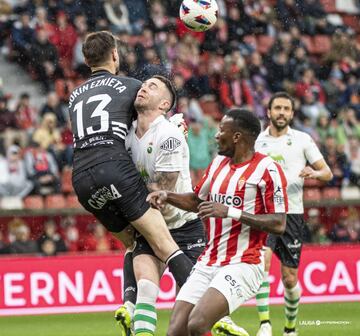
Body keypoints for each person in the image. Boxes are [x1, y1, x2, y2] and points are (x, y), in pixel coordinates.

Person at [69, 31, 194, 333]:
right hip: (113, 168)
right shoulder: (130, 86)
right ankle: (207, 304)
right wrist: (176, 122)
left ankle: (129, 305)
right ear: (115, 55)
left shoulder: (74, 96)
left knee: (133, 243)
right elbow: (149, 116)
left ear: (86, 60)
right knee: (165, 244)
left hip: (82, 179)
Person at [147, 108, 289, 336]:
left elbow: (279, 224)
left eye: (221, 129)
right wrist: (167, 195)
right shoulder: (218, 164)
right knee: (176, 331)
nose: (215, 135)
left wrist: (231, 212)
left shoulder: (267, 170)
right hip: (208, 262)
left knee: (198, 324)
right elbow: (196, 201)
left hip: (244, 263)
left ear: (237, 136)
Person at [116, 75, 206, 336]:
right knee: (146, 288)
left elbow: (161, 195)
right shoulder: (127, 135)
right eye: (143, 84)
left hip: (184, 225)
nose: (143, 87)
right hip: (151, 224)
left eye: (152, 86)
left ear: (165, 104)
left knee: (189, 311)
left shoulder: (169, 135)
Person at [253, 92, 333, 336]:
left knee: (289, 279)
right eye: (277, 108)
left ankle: (290, 328)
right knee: (262, 263)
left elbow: (327, 173)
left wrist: (314, 173)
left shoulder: (303, 140)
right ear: (268, 112)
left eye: (286, 109)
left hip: (292, 214)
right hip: (264, 213)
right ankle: (264, 324)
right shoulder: (257, 141)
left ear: (292, 114)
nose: (281, 112)